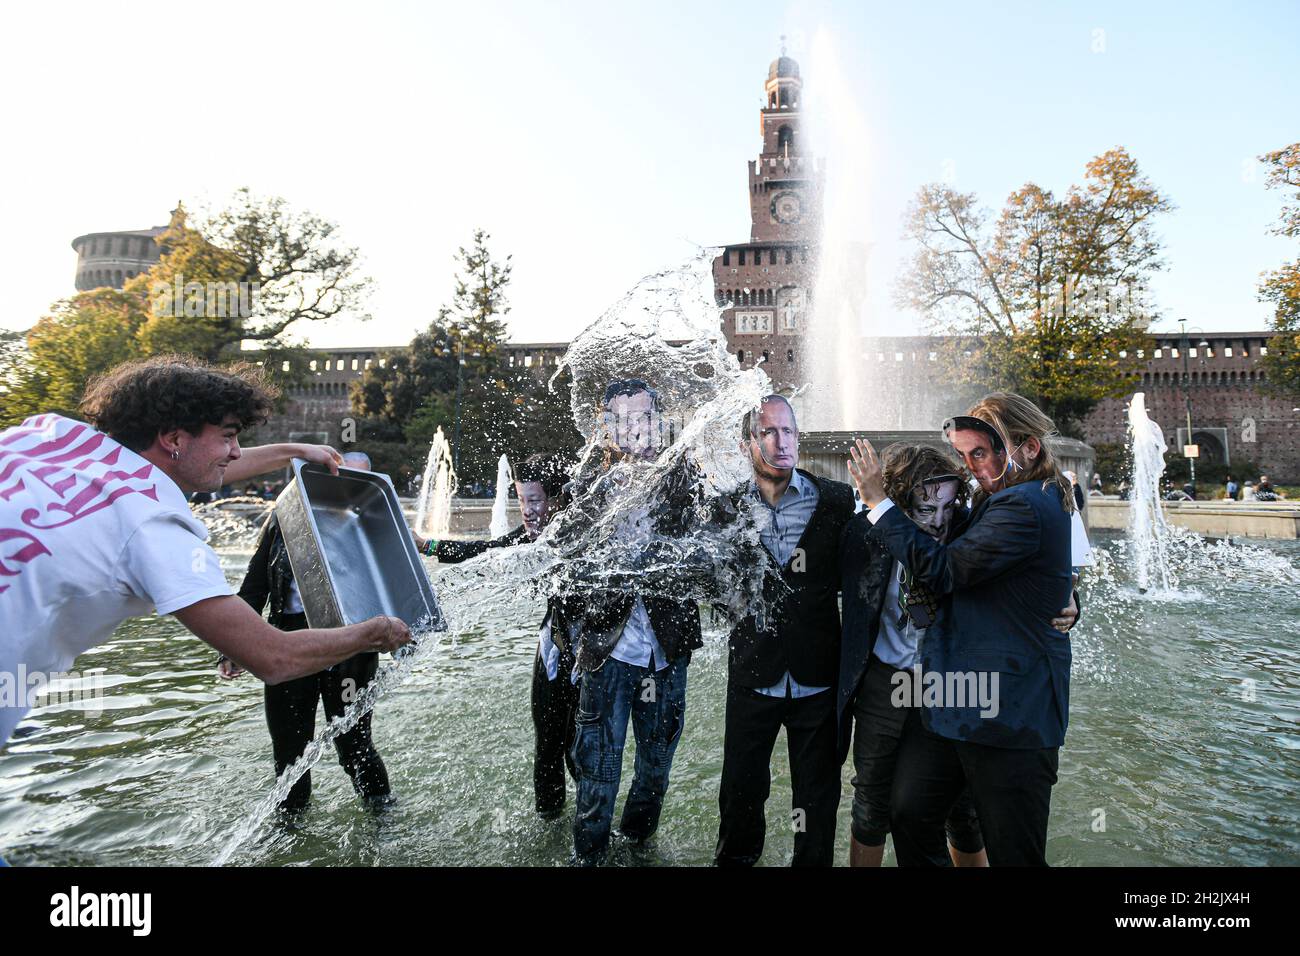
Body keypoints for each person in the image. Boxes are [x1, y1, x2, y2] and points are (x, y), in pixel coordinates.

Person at [0, 356, 411, 752]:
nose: (235, 451)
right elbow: (273, 657)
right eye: (229, 436)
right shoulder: (155, 528)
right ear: (174, 438)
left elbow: (189, 466)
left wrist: (291, 451)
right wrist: (374, 632)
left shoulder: (52, 434)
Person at [847, 392, 1075, 866]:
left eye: (983, 453)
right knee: (902, 809)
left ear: (1028, 447)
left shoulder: (1019, 505)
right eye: (966, 455)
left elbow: (949, 570)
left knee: (1005, 845)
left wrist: (880, 503)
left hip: (1003, 714)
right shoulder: (999, 503)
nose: (974, 467)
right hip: (943, 698)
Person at [548, 379, 710, 865]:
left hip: (667, 648)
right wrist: (568, 640)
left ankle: (639, 845)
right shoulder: (586, 486)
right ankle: (591, 856)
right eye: (621, 419)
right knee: (598, 770)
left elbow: (710, 548)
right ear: (606, 429)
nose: (633, 429)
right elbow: (563, 568)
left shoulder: (683, 477)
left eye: (642, 417)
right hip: (608, 650)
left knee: (656, 765)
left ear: (657, 423)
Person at [714, 395, 854, 867]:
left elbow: (876, 572)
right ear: (747, 442)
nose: (781, 442)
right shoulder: (724, 509)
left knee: (815, 806)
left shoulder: (836, 501)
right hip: (753, 675)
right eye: (769, 432)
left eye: (789, 431)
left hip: (818, 679)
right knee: (740, 797)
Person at [219, 451, 395, 813]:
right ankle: (290, 825)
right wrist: (232, 646)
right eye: (341, 477)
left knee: (354, 745)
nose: (348, 488)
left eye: (359, 481)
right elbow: (254, 585)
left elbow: (393, 582)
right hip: (288, 640)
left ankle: (381, 815)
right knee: (288, 748)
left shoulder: (371, 522)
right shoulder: (284, 518)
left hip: (351, 646)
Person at [415, 453, 580, 819]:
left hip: (592, 655)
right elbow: (485, 552)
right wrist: (426, 545)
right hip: (553, 648)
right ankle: (549, 821)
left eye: (535, 501)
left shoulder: (584, 532)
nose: (527, 511)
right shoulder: (528, 537)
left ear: (558, 499)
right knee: (547, 744)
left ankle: (592, 821)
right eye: (520, 501)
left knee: (580, 749)